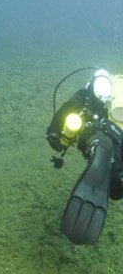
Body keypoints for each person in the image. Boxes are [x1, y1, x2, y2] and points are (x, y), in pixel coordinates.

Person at [46, 68, 123, 245]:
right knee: (115, 186)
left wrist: (55, 135)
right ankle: (118, 174)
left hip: (97, 130)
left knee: (97, 139)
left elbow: (68, 110)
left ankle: (98, 145)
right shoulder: (115, 90)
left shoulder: (93, 93)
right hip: (120, 135)